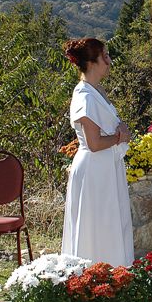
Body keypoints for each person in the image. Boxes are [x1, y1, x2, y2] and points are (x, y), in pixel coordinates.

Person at [61, 37, 134, 267]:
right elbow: (93, 143)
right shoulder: (85, 96)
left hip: (106, 167)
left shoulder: (97, 90)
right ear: (92, 62)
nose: (109, 61)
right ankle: (95, 282)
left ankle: (115, 278)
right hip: (94, 168)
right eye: (105, 56)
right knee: (96, 227)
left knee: (111, 223)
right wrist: (119, 137)